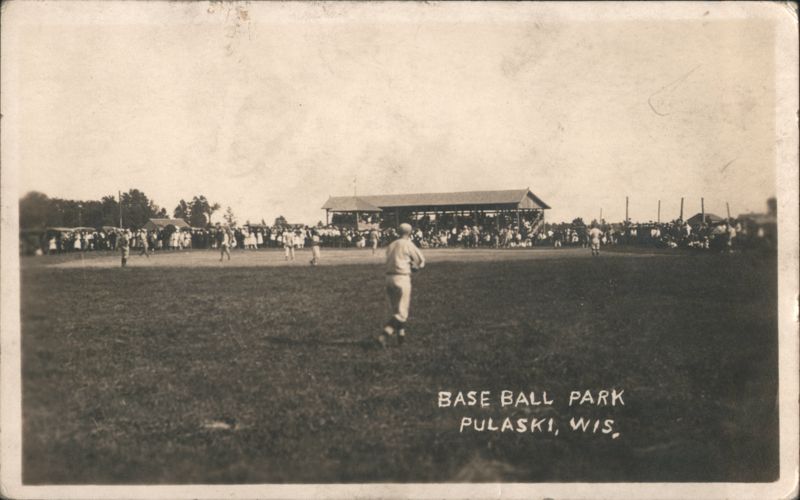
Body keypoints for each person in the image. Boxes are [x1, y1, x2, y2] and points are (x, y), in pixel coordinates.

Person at [377, 223, 425, 348]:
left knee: (396, 310)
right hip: (402, 277)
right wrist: (416, 267)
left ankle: (401, 339)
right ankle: (384, 335)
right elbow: (420, 260)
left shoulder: (392, 244)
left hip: (389, 278)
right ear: (410, 232)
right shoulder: (408, 244)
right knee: (402, 313)